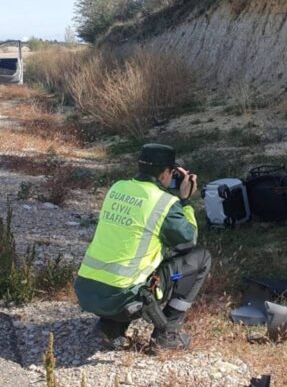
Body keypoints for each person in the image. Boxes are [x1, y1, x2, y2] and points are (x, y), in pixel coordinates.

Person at [74, 144, 211, 350]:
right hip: (125, 299)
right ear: (167, 172)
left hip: (87, 291)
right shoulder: (164, 202)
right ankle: (167, 334)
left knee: (132, 259)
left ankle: (110, 326)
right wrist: (185, 201)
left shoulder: (117, 188)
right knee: (201, 259)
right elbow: (188, 240)